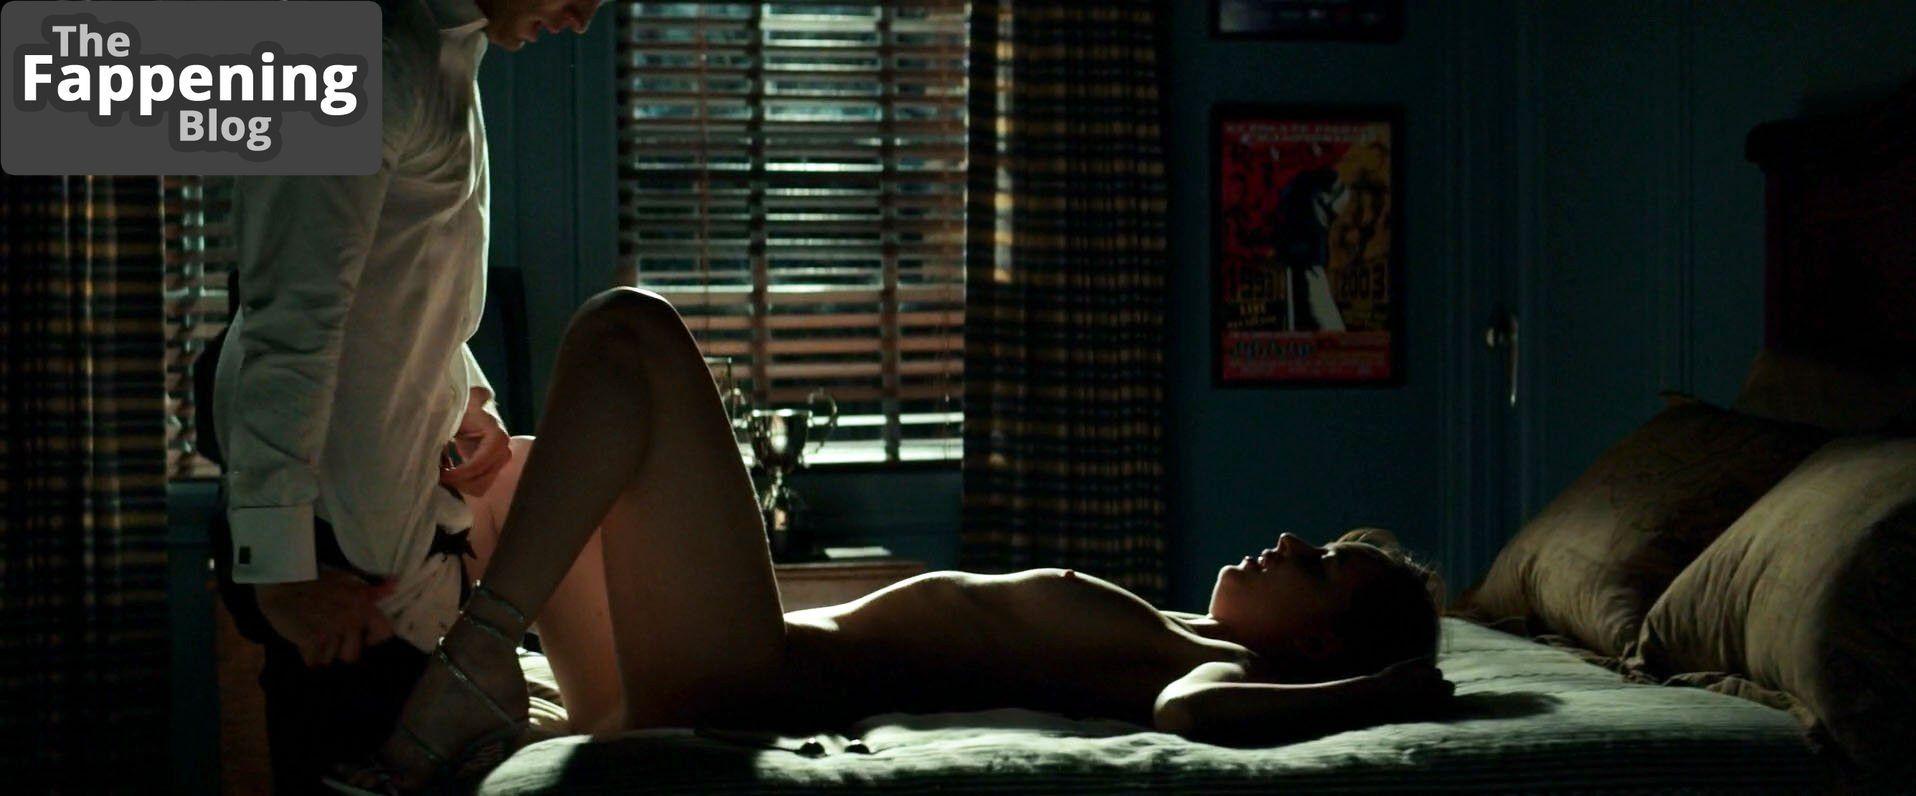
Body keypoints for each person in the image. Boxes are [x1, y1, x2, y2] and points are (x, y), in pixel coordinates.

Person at [350, 288, 1453, 791]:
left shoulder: (1218, 667)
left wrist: (1380, 692)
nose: (1287, 538)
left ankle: (474, 656)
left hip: (747, 680)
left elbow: (1194, 720)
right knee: (520, 471)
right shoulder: (1176, 626)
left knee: (628, 331)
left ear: (1318, 646)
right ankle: (456, 650)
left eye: (1317, 565)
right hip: (674, 684)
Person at [208, 0, 604, 791]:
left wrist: (463, 396)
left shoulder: (443, 49)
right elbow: (289, 321)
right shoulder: (360, 50)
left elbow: (401, 288)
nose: (583, 17)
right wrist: (277, 570)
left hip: (393, 551)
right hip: (333, 562)